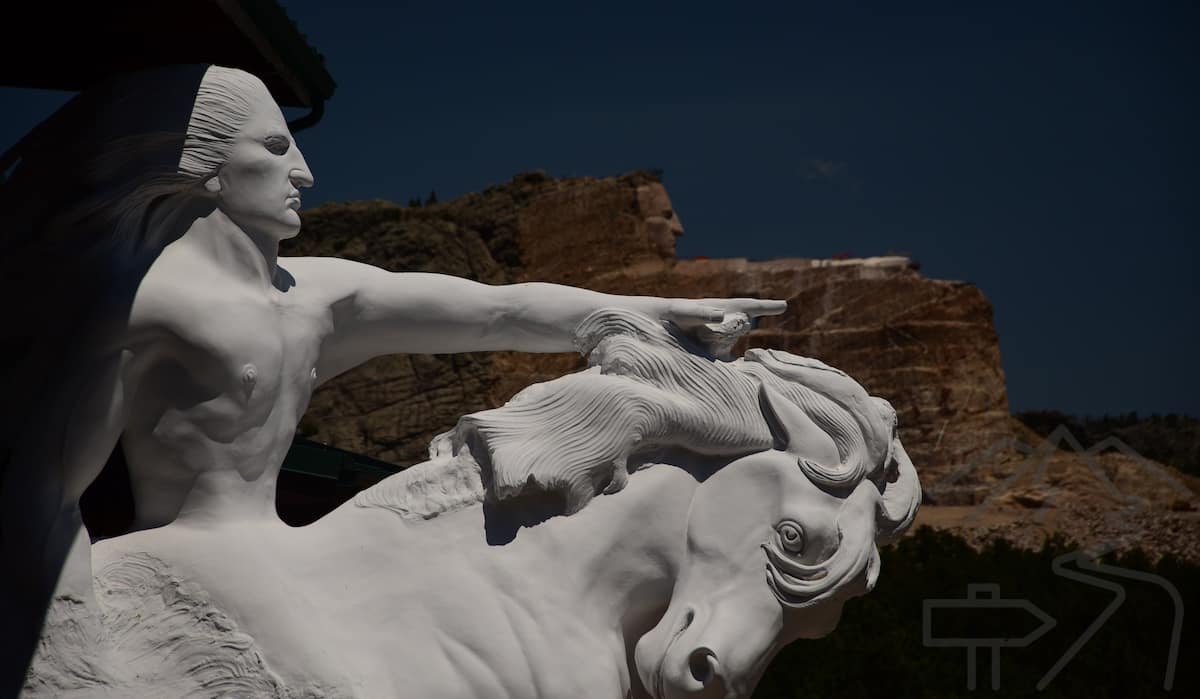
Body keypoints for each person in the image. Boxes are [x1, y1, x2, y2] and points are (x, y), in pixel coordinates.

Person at [0, 64, 785, 690]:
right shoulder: (142, 306)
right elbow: (42, 487)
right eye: (274, 149)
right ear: (204, 169)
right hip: (195, 563)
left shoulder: (315, 296)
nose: (302, 169)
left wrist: (650, 308)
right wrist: (68, 644)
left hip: (288, 551)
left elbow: (496, 311)